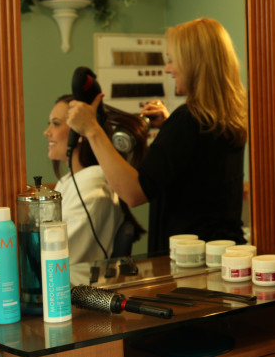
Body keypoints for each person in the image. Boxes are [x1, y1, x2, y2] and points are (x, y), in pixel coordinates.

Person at [67, 18, 248, 254]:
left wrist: (92, 130)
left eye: (172, 60)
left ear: (194, 62)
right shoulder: (226, 117)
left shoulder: (188, 121)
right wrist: (170, 126)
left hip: (191, 263)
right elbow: (197, 170)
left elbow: (133, 193)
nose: (167, 68)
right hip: (223, 254)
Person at [45, 95, 147, 264]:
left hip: (77, 286)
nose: (47, 132)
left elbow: (57, 256)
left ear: (78, 131)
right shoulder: (69, 181)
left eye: (56, 124)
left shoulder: (92, 184)